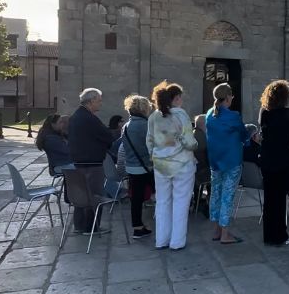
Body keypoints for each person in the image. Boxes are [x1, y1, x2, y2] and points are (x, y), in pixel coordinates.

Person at [146, 81, 198, 251]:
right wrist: (195, 144)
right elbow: (189, 142)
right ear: (176, 98)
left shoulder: (154, 116)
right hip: (181, 163)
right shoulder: (180, 114)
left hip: (161, 164)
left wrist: (155, 155)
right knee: (181, 202)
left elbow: (149, 141)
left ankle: (161, 240)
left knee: (162, 202)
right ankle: (177, 241)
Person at [258, 80, 289, 246]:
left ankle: (269, 235)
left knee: (270, 199)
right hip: (284, 160)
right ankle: (280, 235)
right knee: (280, 199)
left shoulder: (264, 113)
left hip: (268, 159)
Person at [67, 88, 115, 234]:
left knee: (81, 196)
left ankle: (80, 226)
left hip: (79, 162)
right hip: (92, 164)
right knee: (94, 196)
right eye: (99, 100)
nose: (100, 103)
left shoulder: (77, 115)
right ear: (92, 100)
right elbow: (107, 136)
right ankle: (92, 227)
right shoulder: (89, 118)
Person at [206, 83, 246, 244]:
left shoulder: (210, 114)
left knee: (215, 194)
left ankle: (216, 230)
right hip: (232, 161)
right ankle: (225, 234)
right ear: (228, 97)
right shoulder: (233, 116)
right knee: (227, 197)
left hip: (215, 161)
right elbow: (243, 135)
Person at [119, 95, 154, 239]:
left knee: (136, 198)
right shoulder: (145, 125)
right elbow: (151, 146)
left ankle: (137, 226)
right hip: (145, 166)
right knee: (161, 194)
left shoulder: (126, 126)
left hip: (132, 166)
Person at [193, 114, 211, 215]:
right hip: (201, 173)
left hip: (194, 172)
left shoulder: (193, 134)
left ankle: (198, 201)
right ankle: (211, 204)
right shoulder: (203, 138)